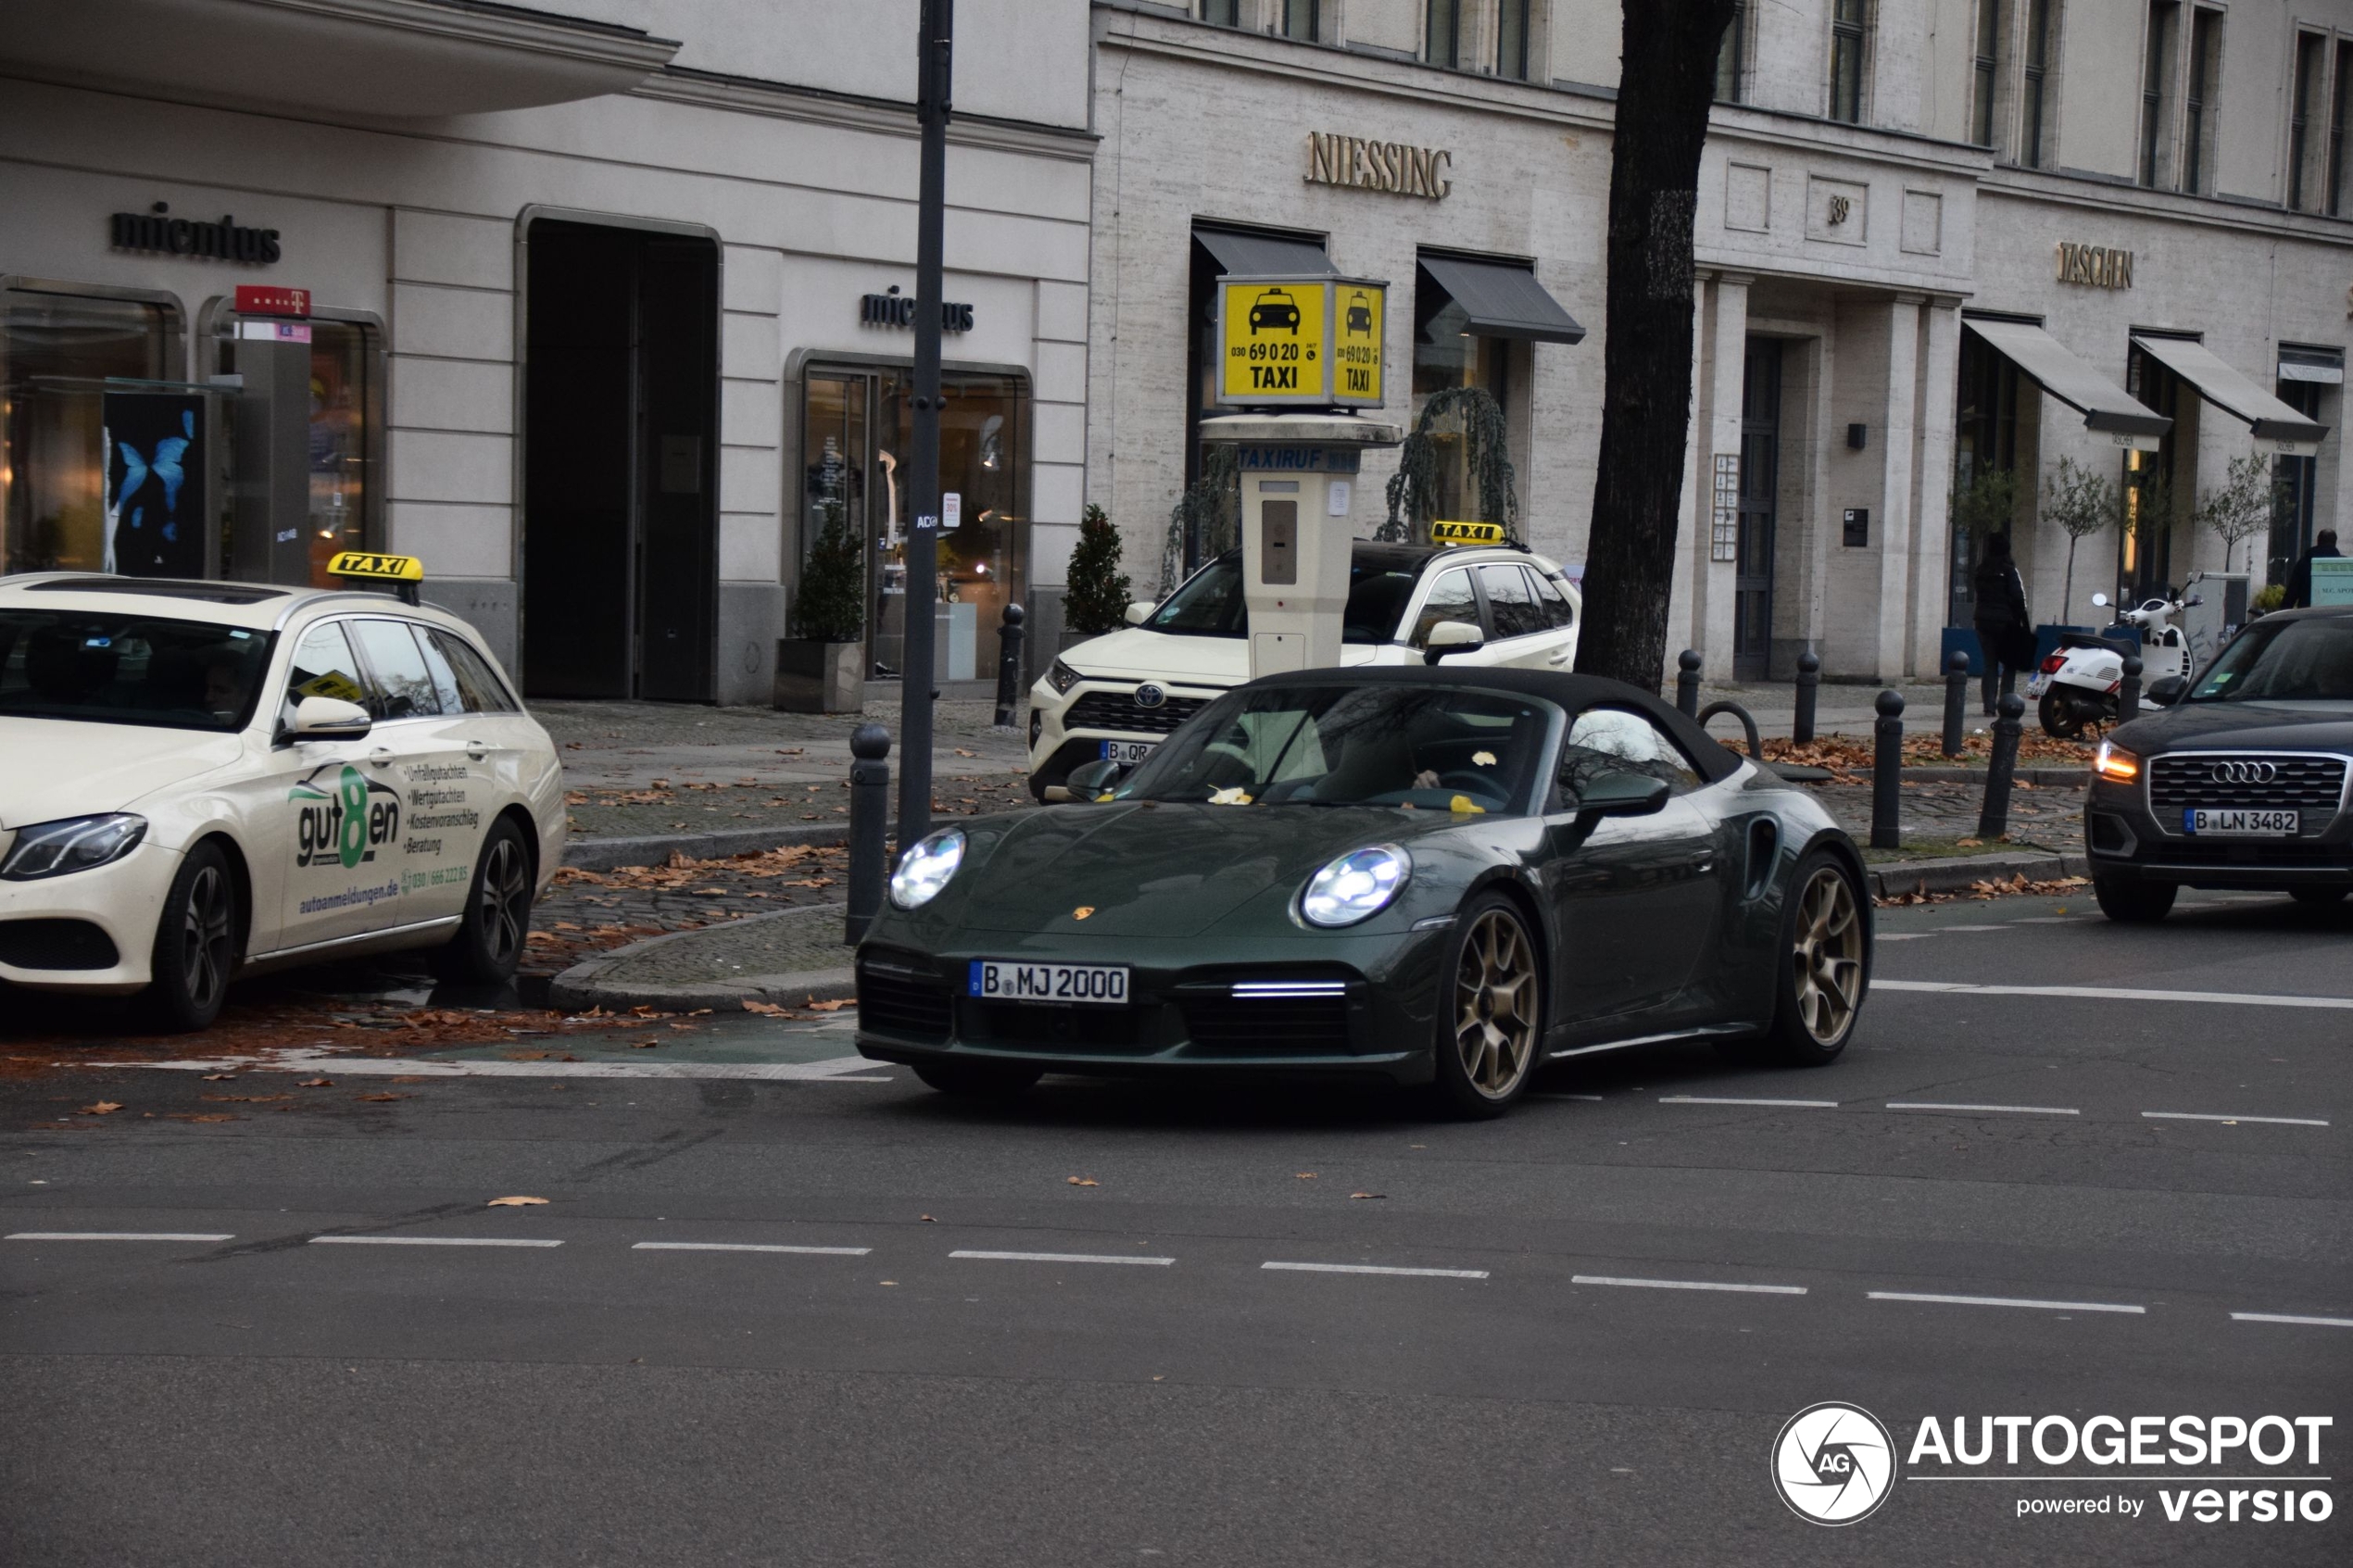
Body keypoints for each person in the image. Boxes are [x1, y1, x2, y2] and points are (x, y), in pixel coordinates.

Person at [1970, 533, 2035, 714]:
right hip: (2005, 623)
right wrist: (2023, 622)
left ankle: (1988, 706)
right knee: (2009, 663)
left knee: (1989, 665)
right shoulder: (2009, 570)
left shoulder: (1981, 570)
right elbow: (2018, 597)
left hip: (1982, 621)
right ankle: (2006, 703)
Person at [2284, 529, 2342, 609]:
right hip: (2338, 617)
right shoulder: (2345, 565)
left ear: (2318, 541)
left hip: (2307, 616)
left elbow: (2291, 594)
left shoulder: (2304, 563)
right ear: (2335, 542)